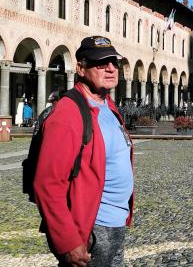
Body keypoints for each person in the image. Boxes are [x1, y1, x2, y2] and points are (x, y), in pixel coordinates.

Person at [33, 36, 134, 266]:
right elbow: (47, 184)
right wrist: (67, 241)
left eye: (113, 62)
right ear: (80, 68)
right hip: (92, 228)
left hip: (114, 224)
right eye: (101, 63)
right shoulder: (68, 113)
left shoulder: (107, 105)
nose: (110, 68)